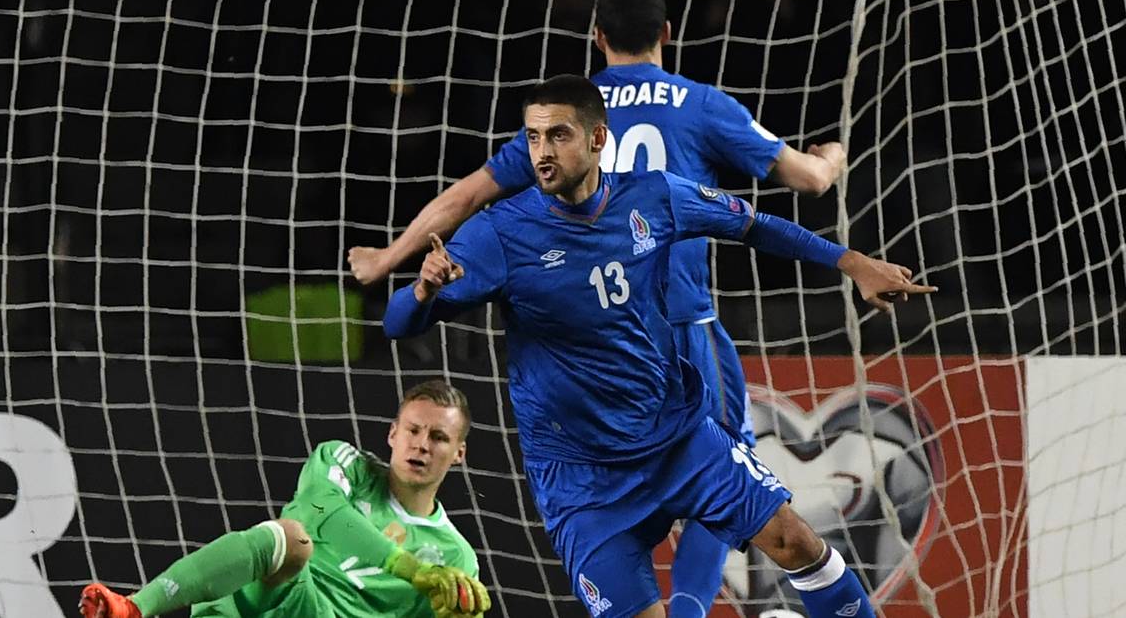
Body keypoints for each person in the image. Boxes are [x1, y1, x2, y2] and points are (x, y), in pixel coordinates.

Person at [349, 0, 846, 616]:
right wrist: (829, 159)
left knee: (661, 480)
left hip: (590, 327)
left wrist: (390, 258)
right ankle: (691, 605)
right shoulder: (698, 104)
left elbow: (467, 196)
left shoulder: (570, 113)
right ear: (668, 34)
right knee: (727, 473)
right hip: (683, 322)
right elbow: (804, 180)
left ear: (598, 37)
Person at [383, 75, 934, 618]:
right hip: (583, 480)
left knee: (798, 542)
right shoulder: (499, 234)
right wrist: (422, 289)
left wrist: (852, 262)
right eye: (532, 137)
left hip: (676, 439)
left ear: (598, 139)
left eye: (558, 136)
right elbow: (397, 324)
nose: (541, 153)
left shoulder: (654, 196)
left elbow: (755, 225)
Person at [79, 381, 492, 618]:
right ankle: (133, 609)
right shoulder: (343, 463)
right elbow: (325, 511)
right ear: (392, 434)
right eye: (413, 430)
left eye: (438, 437)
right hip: (272, 600)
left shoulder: (456, 557)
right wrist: (408, 568)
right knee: (291, 539)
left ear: (459, 453)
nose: (421, 445)